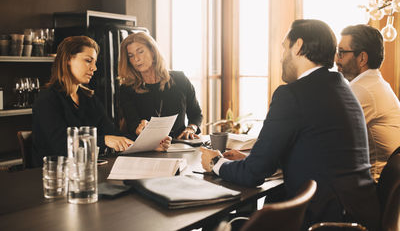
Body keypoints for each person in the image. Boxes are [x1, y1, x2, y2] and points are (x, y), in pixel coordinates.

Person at [200, 19, 380, 230]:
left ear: (298, 46)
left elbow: (253, 174)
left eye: (284, 47)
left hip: (325, 220)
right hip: (360, 212)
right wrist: (253, 158)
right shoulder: (341, 86)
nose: (280, 57)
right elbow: (315, 150)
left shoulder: (292, 95)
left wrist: (216, 163)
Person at [32, 36, 171, 167]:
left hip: (85, 171)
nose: (94, 68)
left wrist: (150, 143)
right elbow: (60, 145)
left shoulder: (89, 98)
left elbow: (114, 135)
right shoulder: (47, 100)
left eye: (94, 62)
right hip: (52, 176)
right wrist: (104, 140)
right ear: (68, 59)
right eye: (88, 60)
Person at [336, 24, 400, 181]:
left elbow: (333, 139)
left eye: (342, 52)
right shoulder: (375, 83)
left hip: (373, 188)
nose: (336, 59)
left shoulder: (362, 90)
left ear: (362, 58)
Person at [118, 32, 203, 140]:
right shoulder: (127, 89)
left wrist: (191, 128)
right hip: (147, 147)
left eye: (140, 52)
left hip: (181, 144)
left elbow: (196, 114)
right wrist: (139, 128)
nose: (136, 59)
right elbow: (133, 124)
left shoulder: (180, 79)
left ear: (153, 52)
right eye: (131, 56)